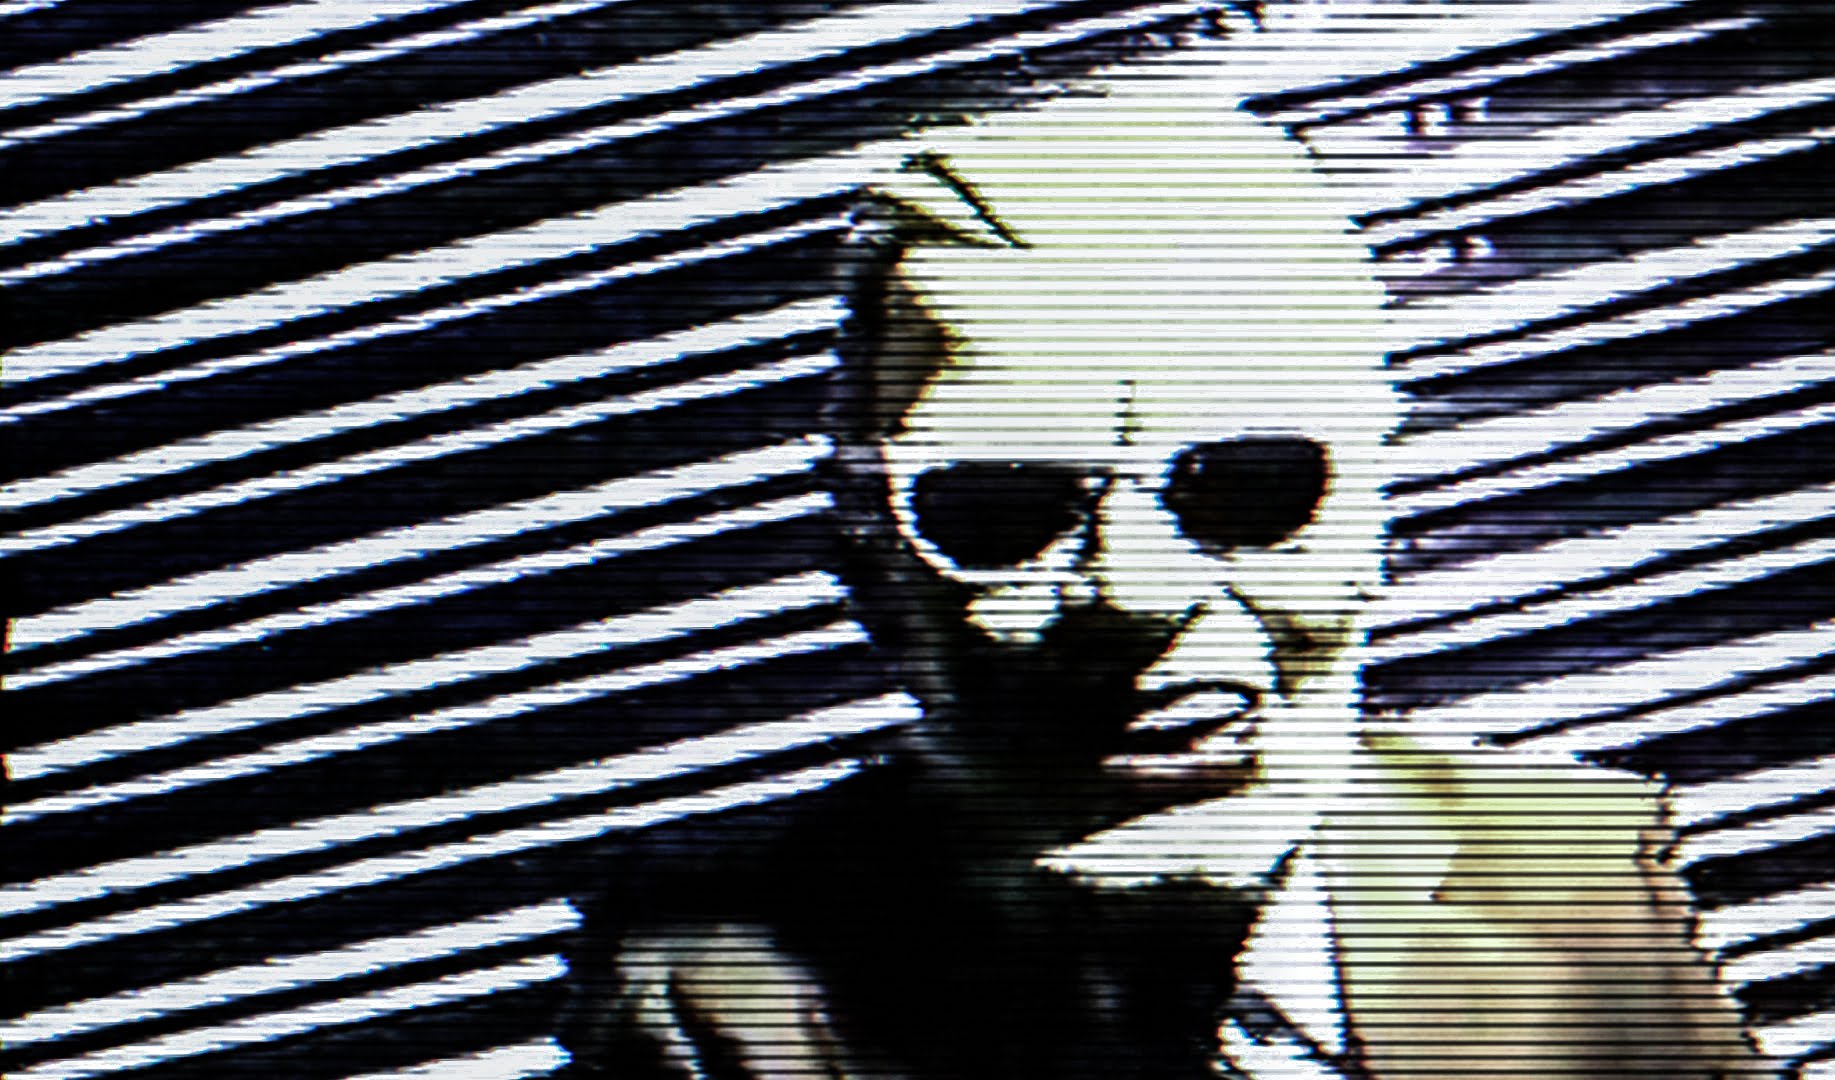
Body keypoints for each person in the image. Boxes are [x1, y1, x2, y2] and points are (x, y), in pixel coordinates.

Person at [567, 17, 1768, 1080]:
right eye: (1002, 505)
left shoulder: (1573, 868)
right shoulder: (728, 1002)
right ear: (870, 563)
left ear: (1380, 512)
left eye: (1252, 485)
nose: (1135, 590)